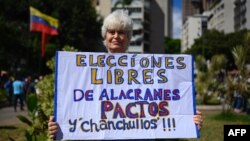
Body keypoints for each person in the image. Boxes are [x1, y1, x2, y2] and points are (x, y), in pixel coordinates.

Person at [48, 10, 203, 140]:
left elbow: (165, 96)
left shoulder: (146, 69)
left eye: (121, 33)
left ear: (128, 38)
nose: (116, 36)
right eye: (111, 32)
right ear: (105, 36)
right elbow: (76, 103)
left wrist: (188, 119)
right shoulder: (87, 70)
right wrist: (59, 125)